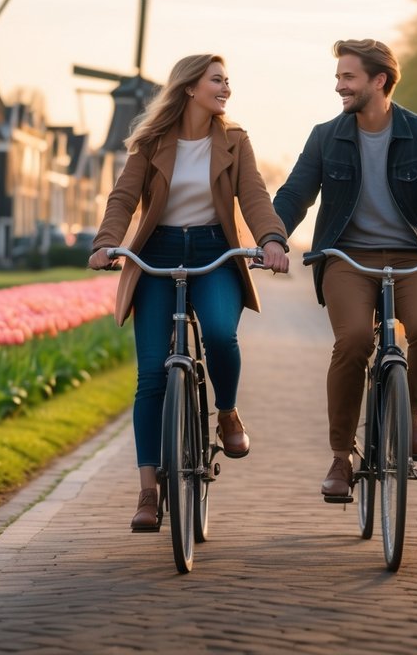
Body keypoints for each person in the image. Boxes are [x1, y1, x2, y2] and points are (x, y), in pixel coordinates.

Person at [89, 54, 289, 530]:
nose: (226, 88)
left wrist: (272, 240)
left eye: (227, 81)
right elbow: (123, 198)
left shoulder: (235, 142)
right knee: (151, 377)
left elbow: (254, 196)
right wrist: (105, 243)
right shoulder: (152, 142)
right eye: (217, 80)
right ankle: (147, 491)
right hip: (156, 253)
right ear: (190, 88)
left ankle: (227, 413)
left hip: (213, 250)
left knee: (221, 332)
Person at [272, 39, 417, 499]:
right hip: (347, 258)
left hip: (412, 257)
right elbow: (294, 194)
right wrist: (273, 236)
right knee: (355, 341)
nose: (339, 85)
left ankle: (414, 411)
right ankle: (341, 457)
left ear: (378, 81)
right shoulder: (326, 136)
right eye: (339, 76)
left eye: (348, 77)